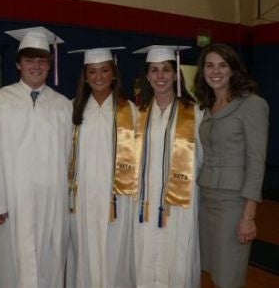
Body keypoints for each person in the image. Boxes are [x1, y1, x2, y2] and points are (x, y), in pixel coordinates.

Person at [0, 26, 72, 288]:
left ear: (50, 65)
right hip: (13, 204)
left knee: (52, 259)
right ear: (18, 64)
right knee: (13, 265)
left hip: (54, 203)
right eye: (29, 60)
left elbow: (71, 158)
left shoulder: (63, 105)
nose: (36, 66)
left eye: (42, 60)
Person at [194, 43, 269, 288]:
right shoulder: (207, 106)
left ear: (233, 69)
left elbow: (256, 163)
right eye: (209, 65)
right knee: (214, 271)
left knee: (229, 275)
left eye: (223, 65)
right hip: (206, 197)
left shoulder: (252, 104)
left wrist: (249, 215)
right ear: (203, 71)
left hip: (233, 202)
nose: (215, 71)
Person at [66, 47, 137, 287]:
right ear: (85, 76)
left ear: (114, 74)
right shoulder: (72, 108)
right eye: (92, 71)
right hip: (83, 196)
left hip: (117, 197)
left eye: (105, 70)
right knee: (83, 247)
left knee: (115, 248)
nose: (98, 77)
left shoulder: (131, 111)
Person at [132, 45, 202, 287]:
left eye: (166, 70)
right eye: (154, 70)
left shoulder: (196, 112)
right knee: (146, 253)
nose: (160, 76)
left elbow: (203, 158)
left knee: (178, 252)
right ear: (147, 76)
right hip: (146, 201)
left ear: (175, 74)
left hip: (181, 201)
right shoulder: (137, 113)